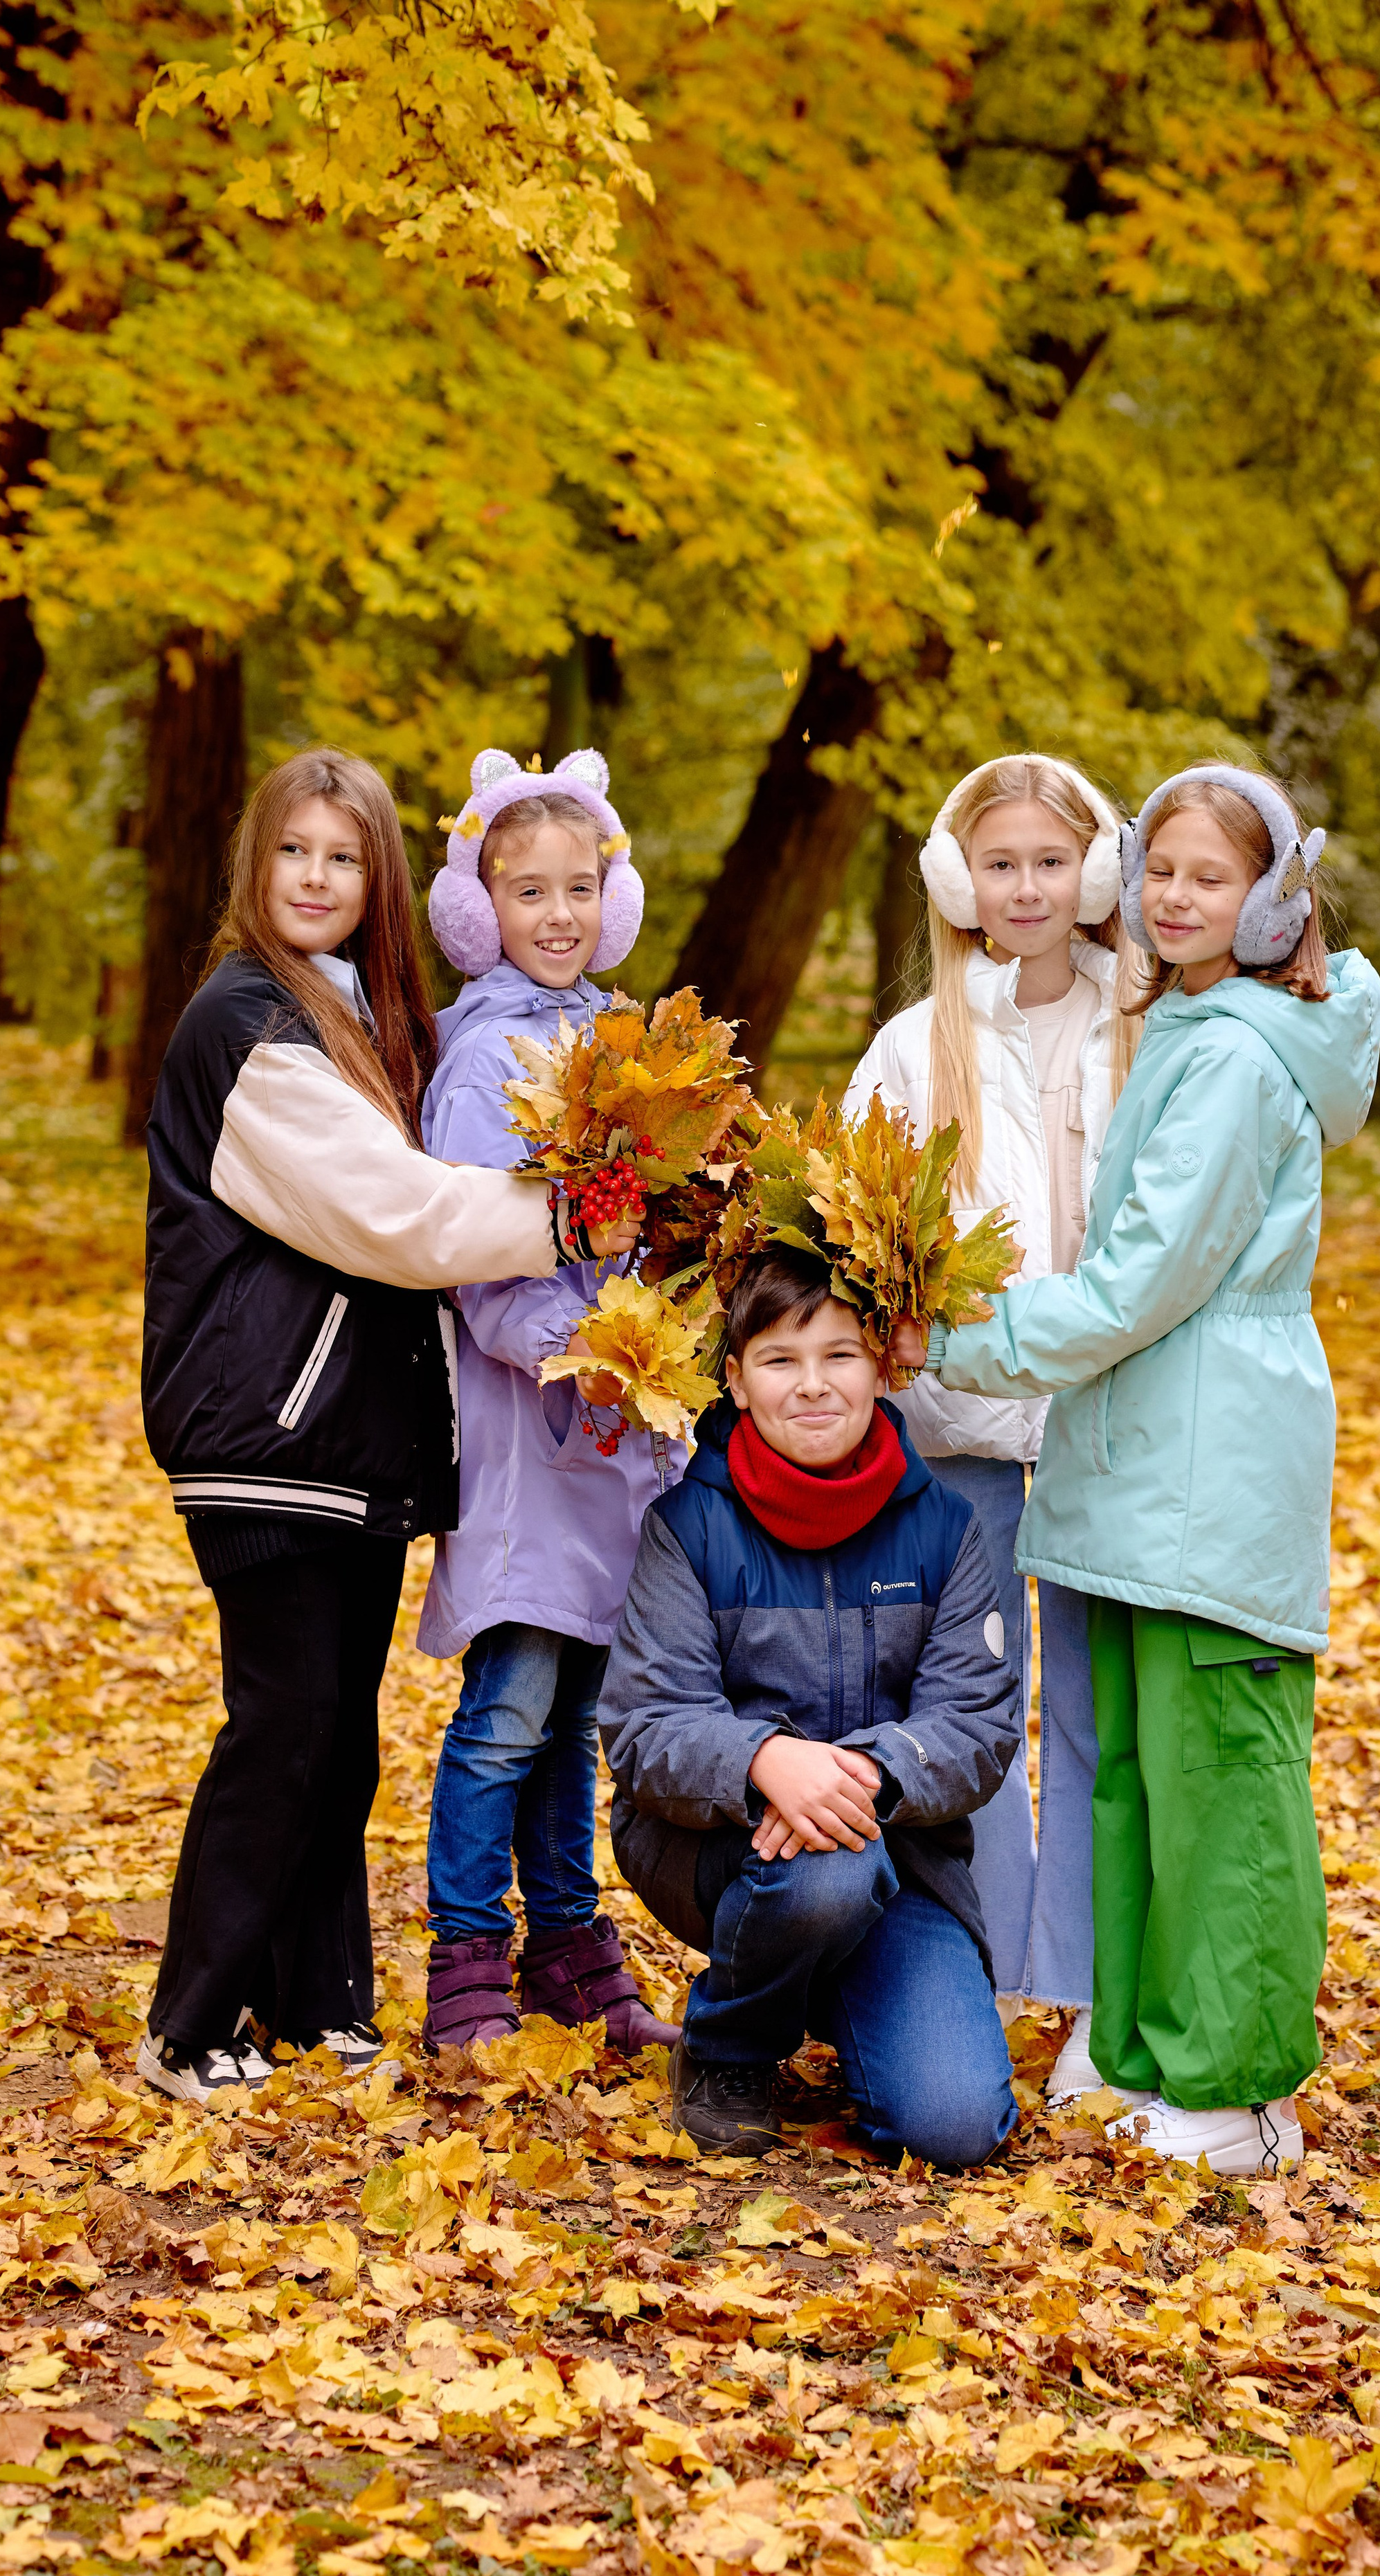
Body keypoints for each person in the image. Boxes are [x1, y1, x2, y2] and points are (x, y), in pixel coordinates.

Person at [896, 765, 1380, 2176]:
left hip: (1203, 1453)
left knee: (1218, 1776)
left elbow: (1129, 1290)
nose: (1173, 897)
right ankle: (1138, 2039)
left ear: (1272, 897)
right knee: (1135, 1777)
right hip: (1135, 1459)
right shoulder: (1184, 1021)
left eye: (1208, 878)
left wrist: (942, 1340)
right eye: (1158, 868)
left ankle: (1236, 2088)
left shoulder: (1235, 1056)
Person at [136, 746, 638, 2105]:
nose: (316, 878)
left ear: (378, 883)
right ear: (257, 867)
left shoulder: (342, 1014)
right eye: (295, 853)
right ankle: (191, 2020)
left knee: (333, 1728)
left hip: (342, 1441)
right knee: (286, 1723)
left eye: (343, 858)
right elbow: (398, 1215)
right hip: (269, 1427)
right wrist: (566, 1218)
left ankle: (315, 2000)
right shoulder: (248, 1028)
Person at [845, 754, 1136, 2106]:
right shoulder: (915, 1046)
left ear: (1091, 870)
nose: (1023, 889)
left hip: (1099, 1431)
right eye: (999, 864)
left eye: (1046, 862)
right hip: (952, 1440)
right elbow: (854, 1239)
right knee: (972, 1716)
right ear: (960, 882)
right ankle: (974, 1967)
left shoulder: (1140, 1026)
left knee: (1090, 1714)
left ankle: (1080, 1994)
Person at [599, 1247, 1021, 2168]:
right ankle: (731, 2047)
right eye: (781, 1361)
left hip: (901, 1859)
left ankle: (830, 1990)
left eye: (839, 1355)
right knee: (827, 1872)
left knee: (952, 2127)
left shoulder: (944, 1527)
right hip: (713, 1847)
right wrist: (762, 1762)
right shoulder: (689, 1526)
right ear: (738, 1383)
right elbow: (643, 1725)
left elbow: (977, 1726)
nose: (813, 1385)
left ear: (881, 1367)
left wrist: (866, 1772)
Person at [416, 746, 679, 2056]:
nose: (561, 914)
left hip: (610, 1437)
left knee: (575, 1712)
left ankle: (567, 1945)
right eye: (529, 892)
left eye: (582, 887)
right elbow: (484, 1269)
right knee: (508, 1708)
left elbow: (637, 1229)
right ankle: (465, 1953)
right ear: (480, 909)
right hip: (533, 1435)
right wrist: (607, 1345)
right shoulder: (485, 1065)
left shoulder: (618, 1046)